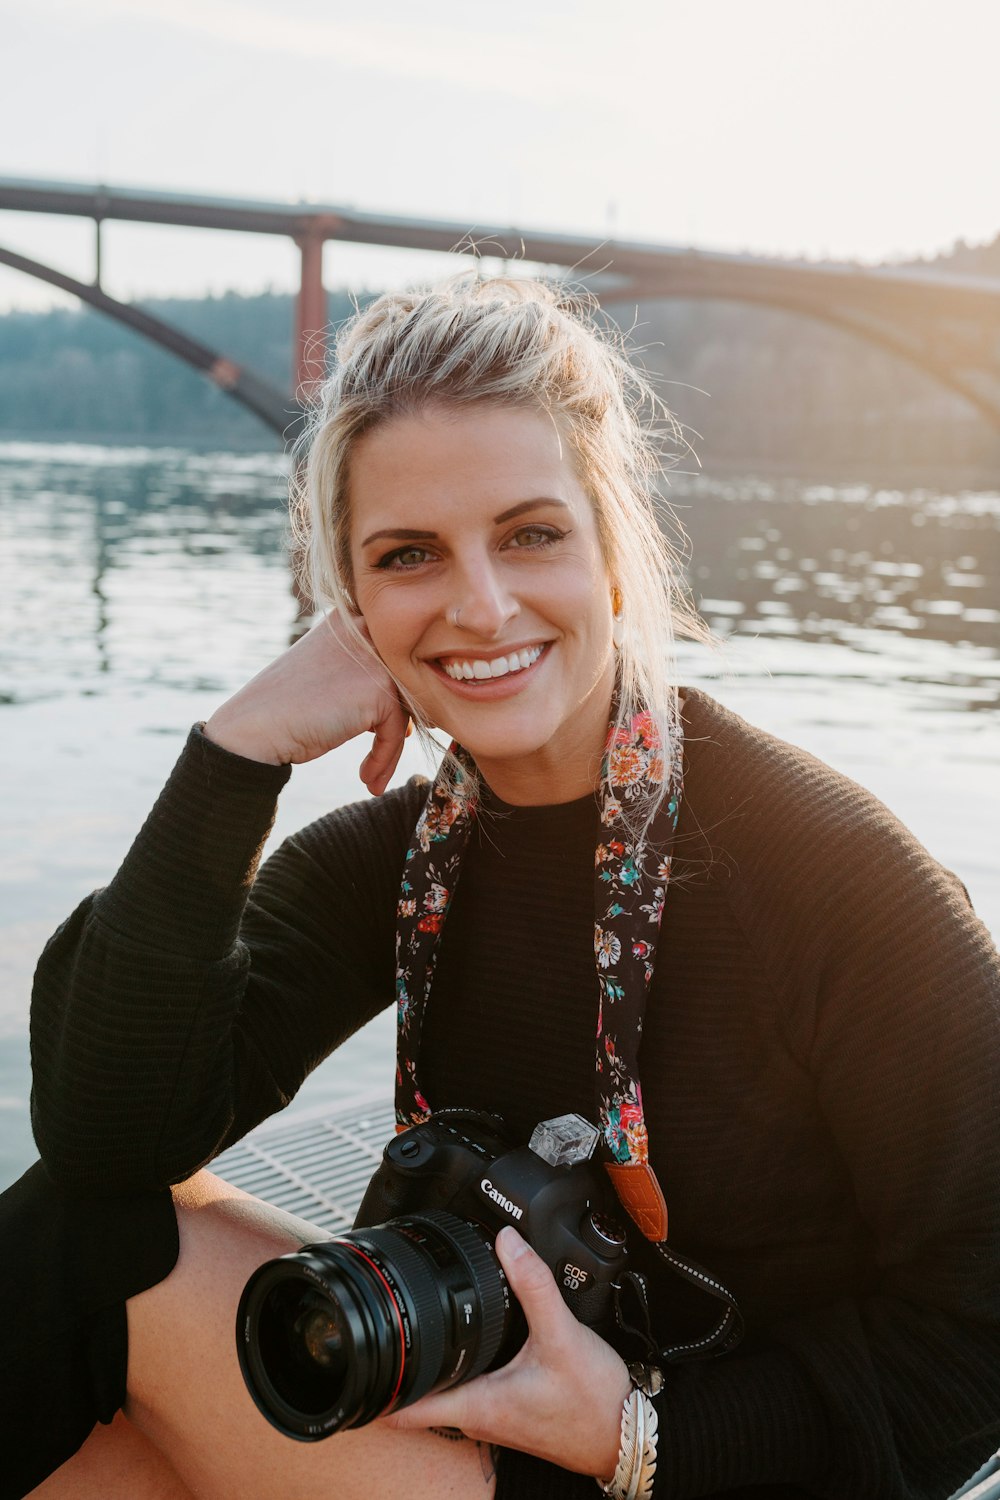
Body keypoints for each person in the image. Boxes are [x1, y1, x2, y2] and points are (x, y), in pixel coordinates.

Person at [5, 276, 999, 1500]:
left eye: (531, 534)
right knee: (82, 1243)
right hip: (485, 1423)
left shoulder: (827, 876)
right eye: (407, 555)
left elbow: (979, 1335)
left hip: (707, 1467)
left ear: (614, 554)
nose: (479, 605)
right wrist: (232, 759)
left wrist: (640, 1440)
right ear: (351, 607)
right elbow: (107, 1139)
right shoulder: (405, 860)